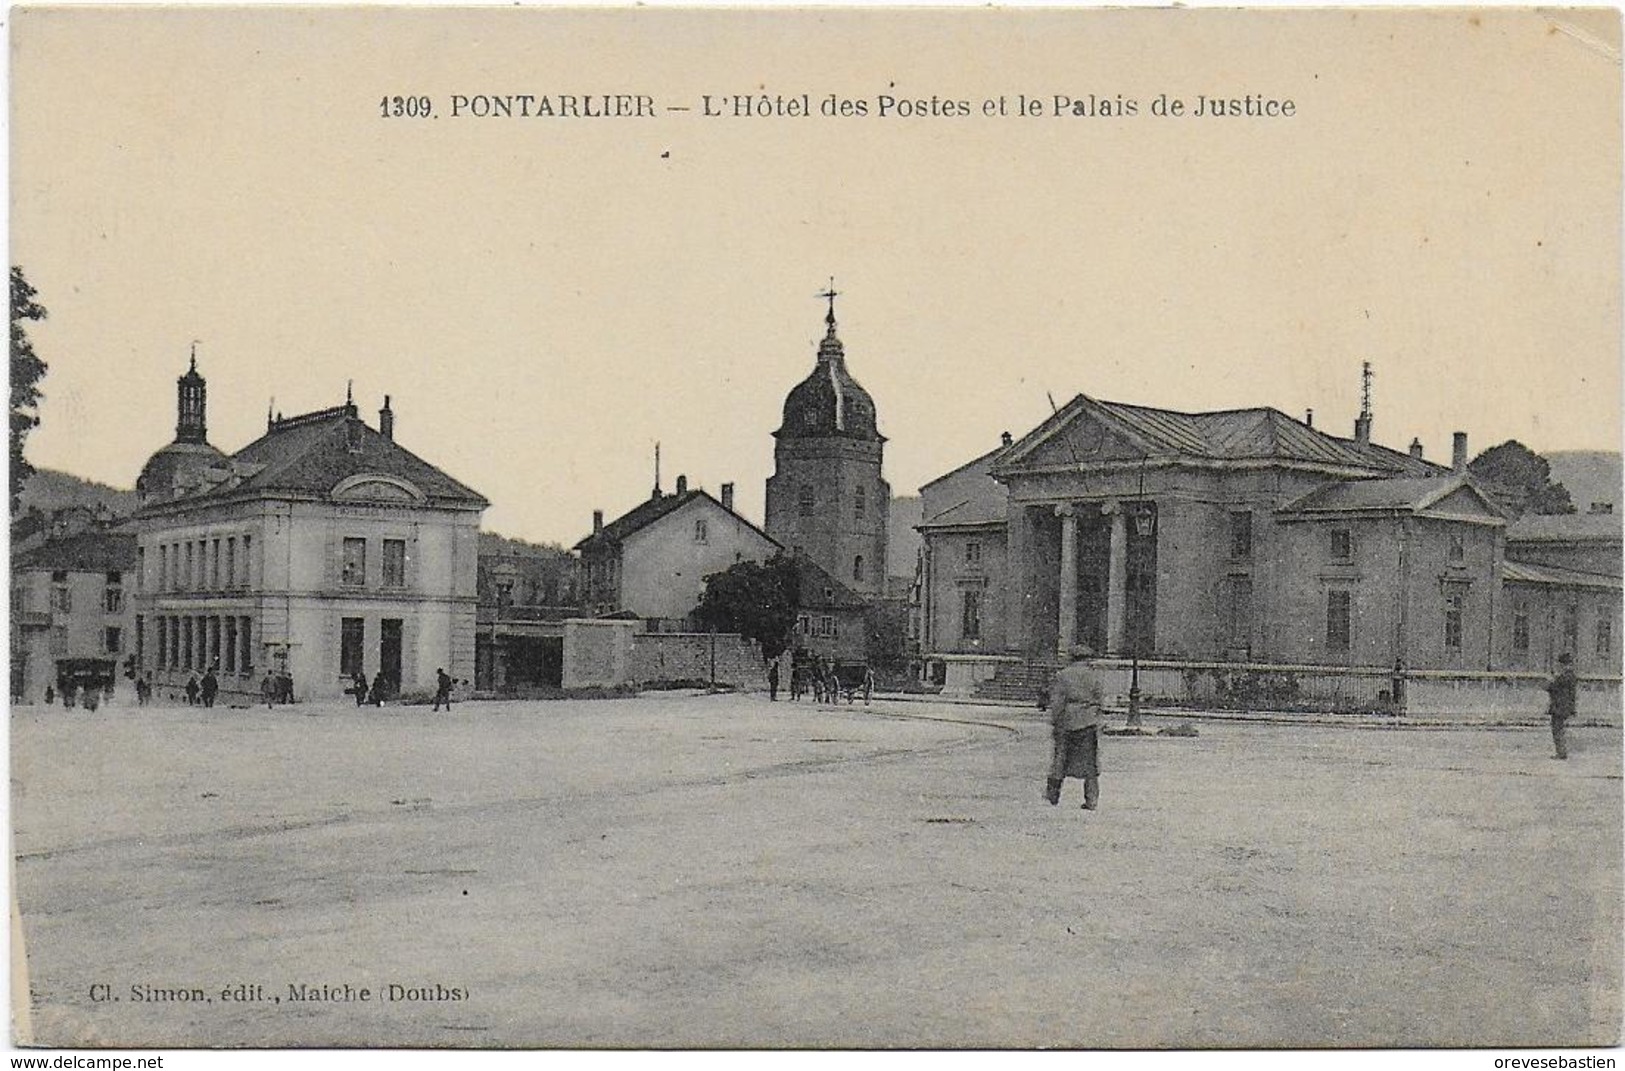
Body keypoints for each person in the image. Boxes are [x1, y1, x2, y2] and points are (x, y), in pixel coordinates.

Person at [1046, 644, 1106, 810]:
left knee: (1060, 759)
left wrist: (1055, 721)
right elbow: (1100, 700)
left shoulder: (1063, 675)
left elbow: (1057, 702)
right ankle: (1091, 800)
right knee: (1090, 763)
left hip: (1067, 721)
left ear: (1072, 658)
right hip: (1088, 722)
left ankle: (1052, 796)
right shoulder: (1094, 676)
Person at [1547, 652, 1578, 760]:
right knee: (1559, 729)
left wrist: (1551, 680)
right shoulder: (1571, 675)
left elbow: (1551, 687)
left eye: (1561, 664)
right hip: (1563, 706)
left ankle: (1561, 752)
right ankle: (1561, 751)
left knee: (1557, 729)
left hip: (1559, 707)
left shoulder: (1564, 676)